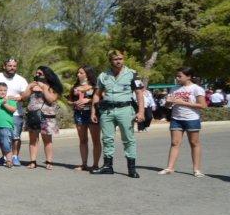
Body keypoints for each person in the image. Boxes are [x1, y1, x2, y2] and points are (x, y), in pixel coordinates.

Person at [90, 49, 147, 178]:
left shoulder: (132, 74)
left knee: (128, 139)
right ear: (110, 61)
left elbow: (139, 93)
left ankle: (131, 169)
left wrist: (141, 112)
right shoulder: (103, 75)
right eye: (115, 59)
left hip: (125, 110)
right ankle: (107, 166)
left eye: (120, 59)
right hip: (107, 111)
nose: (118, 61)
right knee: (107, 139)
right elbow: (97, 94)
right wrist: (93, 112)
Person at [159, 67, 206, 177]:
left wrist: (183, 102)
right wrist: (168, 102)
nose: (177, 78)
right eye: (176, 76)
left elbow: (203, 105)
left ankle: (196, 170)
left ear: (189, 76)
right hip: (176, 119)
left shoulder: (196, 89)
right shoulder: (174, 88)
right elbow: (168, 105)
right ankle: (170, 168)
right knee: (175, 143)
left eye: (180, 76)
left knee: (194, 143)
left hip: (191, 119)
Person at [0, 59, 29, 165]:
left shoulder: (21, 80)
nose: (12, 68)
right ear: (4, 66)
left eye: (14, 66)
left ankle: (14, 157)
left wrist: (18, 98)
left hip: (15, 112)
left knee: (15, 136)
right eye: (9, 65)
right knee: (1, 137)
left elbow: (26, 95)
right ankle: (4, 157)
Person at [24, 66, 62, 169]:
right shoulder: (33, 86)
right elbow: (24, 97)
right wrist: (29, 87)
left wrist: (44, 88)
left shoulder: (53, 87)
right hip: (33, 117)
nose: (37, 75)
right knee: (33, 140)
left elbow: (51, 99)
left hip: (46, 118)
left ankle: (49, 162)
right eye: (36, 73)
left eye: (40, 74)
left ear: (47, 75)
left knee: (47, 140)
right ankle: (33, 161)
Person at [68, 66, 100, 172]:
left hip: (93, 114)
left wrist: (89, 100)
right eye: (78, 73)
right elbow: (69, 100)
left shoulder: (95, 86)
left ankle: (95, 165)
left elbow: (101, 98)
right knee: (83, 140)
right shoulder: (75, 87)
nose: (78, 75)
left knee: (96, 140)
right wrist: (74, 103)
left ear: (88, 74)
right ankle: (84, 164)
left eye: (81, 73)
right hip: (79, 114)